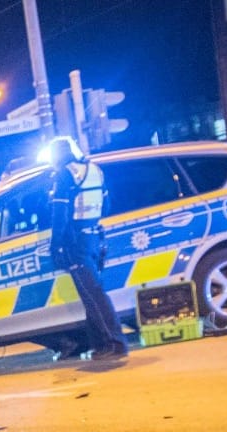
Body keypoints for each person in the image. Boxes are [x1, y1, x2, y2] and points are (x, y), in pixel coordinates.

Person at [46, 136, 129, 361]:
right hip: (94, 237)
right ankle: (101, 344)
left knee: (93, 295)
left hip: (76, 242)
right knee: (93, 292)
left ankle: (115, 343)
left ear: (56, 156)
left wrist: (57, 246)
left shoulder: (65, 174)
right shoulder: (93, 170)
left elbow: (60, 215)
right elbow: (107, 205)